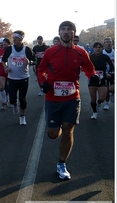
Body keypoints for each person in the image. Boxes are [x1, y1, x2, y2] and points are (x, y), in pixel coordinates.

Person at [37, 21, 97, 180]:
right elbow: (41, 69)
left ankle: (61, 164)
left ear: (73, 33)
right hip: (53, 98)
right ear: (59, 33)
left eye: (69, 29)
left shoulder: (81, 53)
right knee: (53, 134)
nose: (66, 32)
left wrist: (93, 77)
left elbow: (89, 68)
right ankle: (59, 126)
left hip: (72, 97)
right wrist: (43, 83)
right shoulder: (50, 52)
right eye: (63, 29)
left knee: (69, 129)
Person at [1, 30, 36, 125]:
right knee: (12, 99)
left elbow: (34, 60)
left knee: (22, 99)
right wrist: (6, 67)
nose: (14, 40)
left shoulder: (27, 50)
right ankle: (14, 104)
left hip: (24, 78)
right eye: (13, 38)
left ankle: (22, 116)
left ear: (21, 39)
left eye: (16, 39)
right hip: (12, 78)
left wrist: (30, 62)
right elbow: (3, 60)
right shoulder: (9, 49)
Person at [88, 42, 114, 119]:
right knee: (93, 98)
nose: (98, 49)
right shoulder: (90, 57)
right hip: (92, 79)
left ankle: (99, 103)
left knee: (102, 98)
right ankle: (94, 113)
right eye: (96, 47)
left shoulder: (105, 57)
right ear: (93, 48)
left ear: (102, 48)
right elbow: (85, 67)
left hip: (102, 78)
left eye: (99, 47)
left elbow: (112, 67)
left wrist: (108, 73)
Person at [0, 38, 11, 110]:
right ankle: (5, 100)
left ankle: (11, 99)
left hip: (10, 70)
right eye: (2, 42)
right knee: (1, 87)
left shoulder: (11, 50)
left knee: (10, 86)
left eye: (5, 42)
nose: (3, 44)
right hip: (2, 70)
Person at [102, 37, 115, 109]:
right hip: (105, 73)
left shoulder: (115, 52)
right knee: (106, 90)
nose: (108, 43)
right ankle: (107, 103)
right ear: (104, 44)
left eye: (110, 42)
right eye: (107, 42)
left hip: (114, 72)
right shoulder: (102, 53)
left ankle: (112, 94)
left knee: (113, 88)